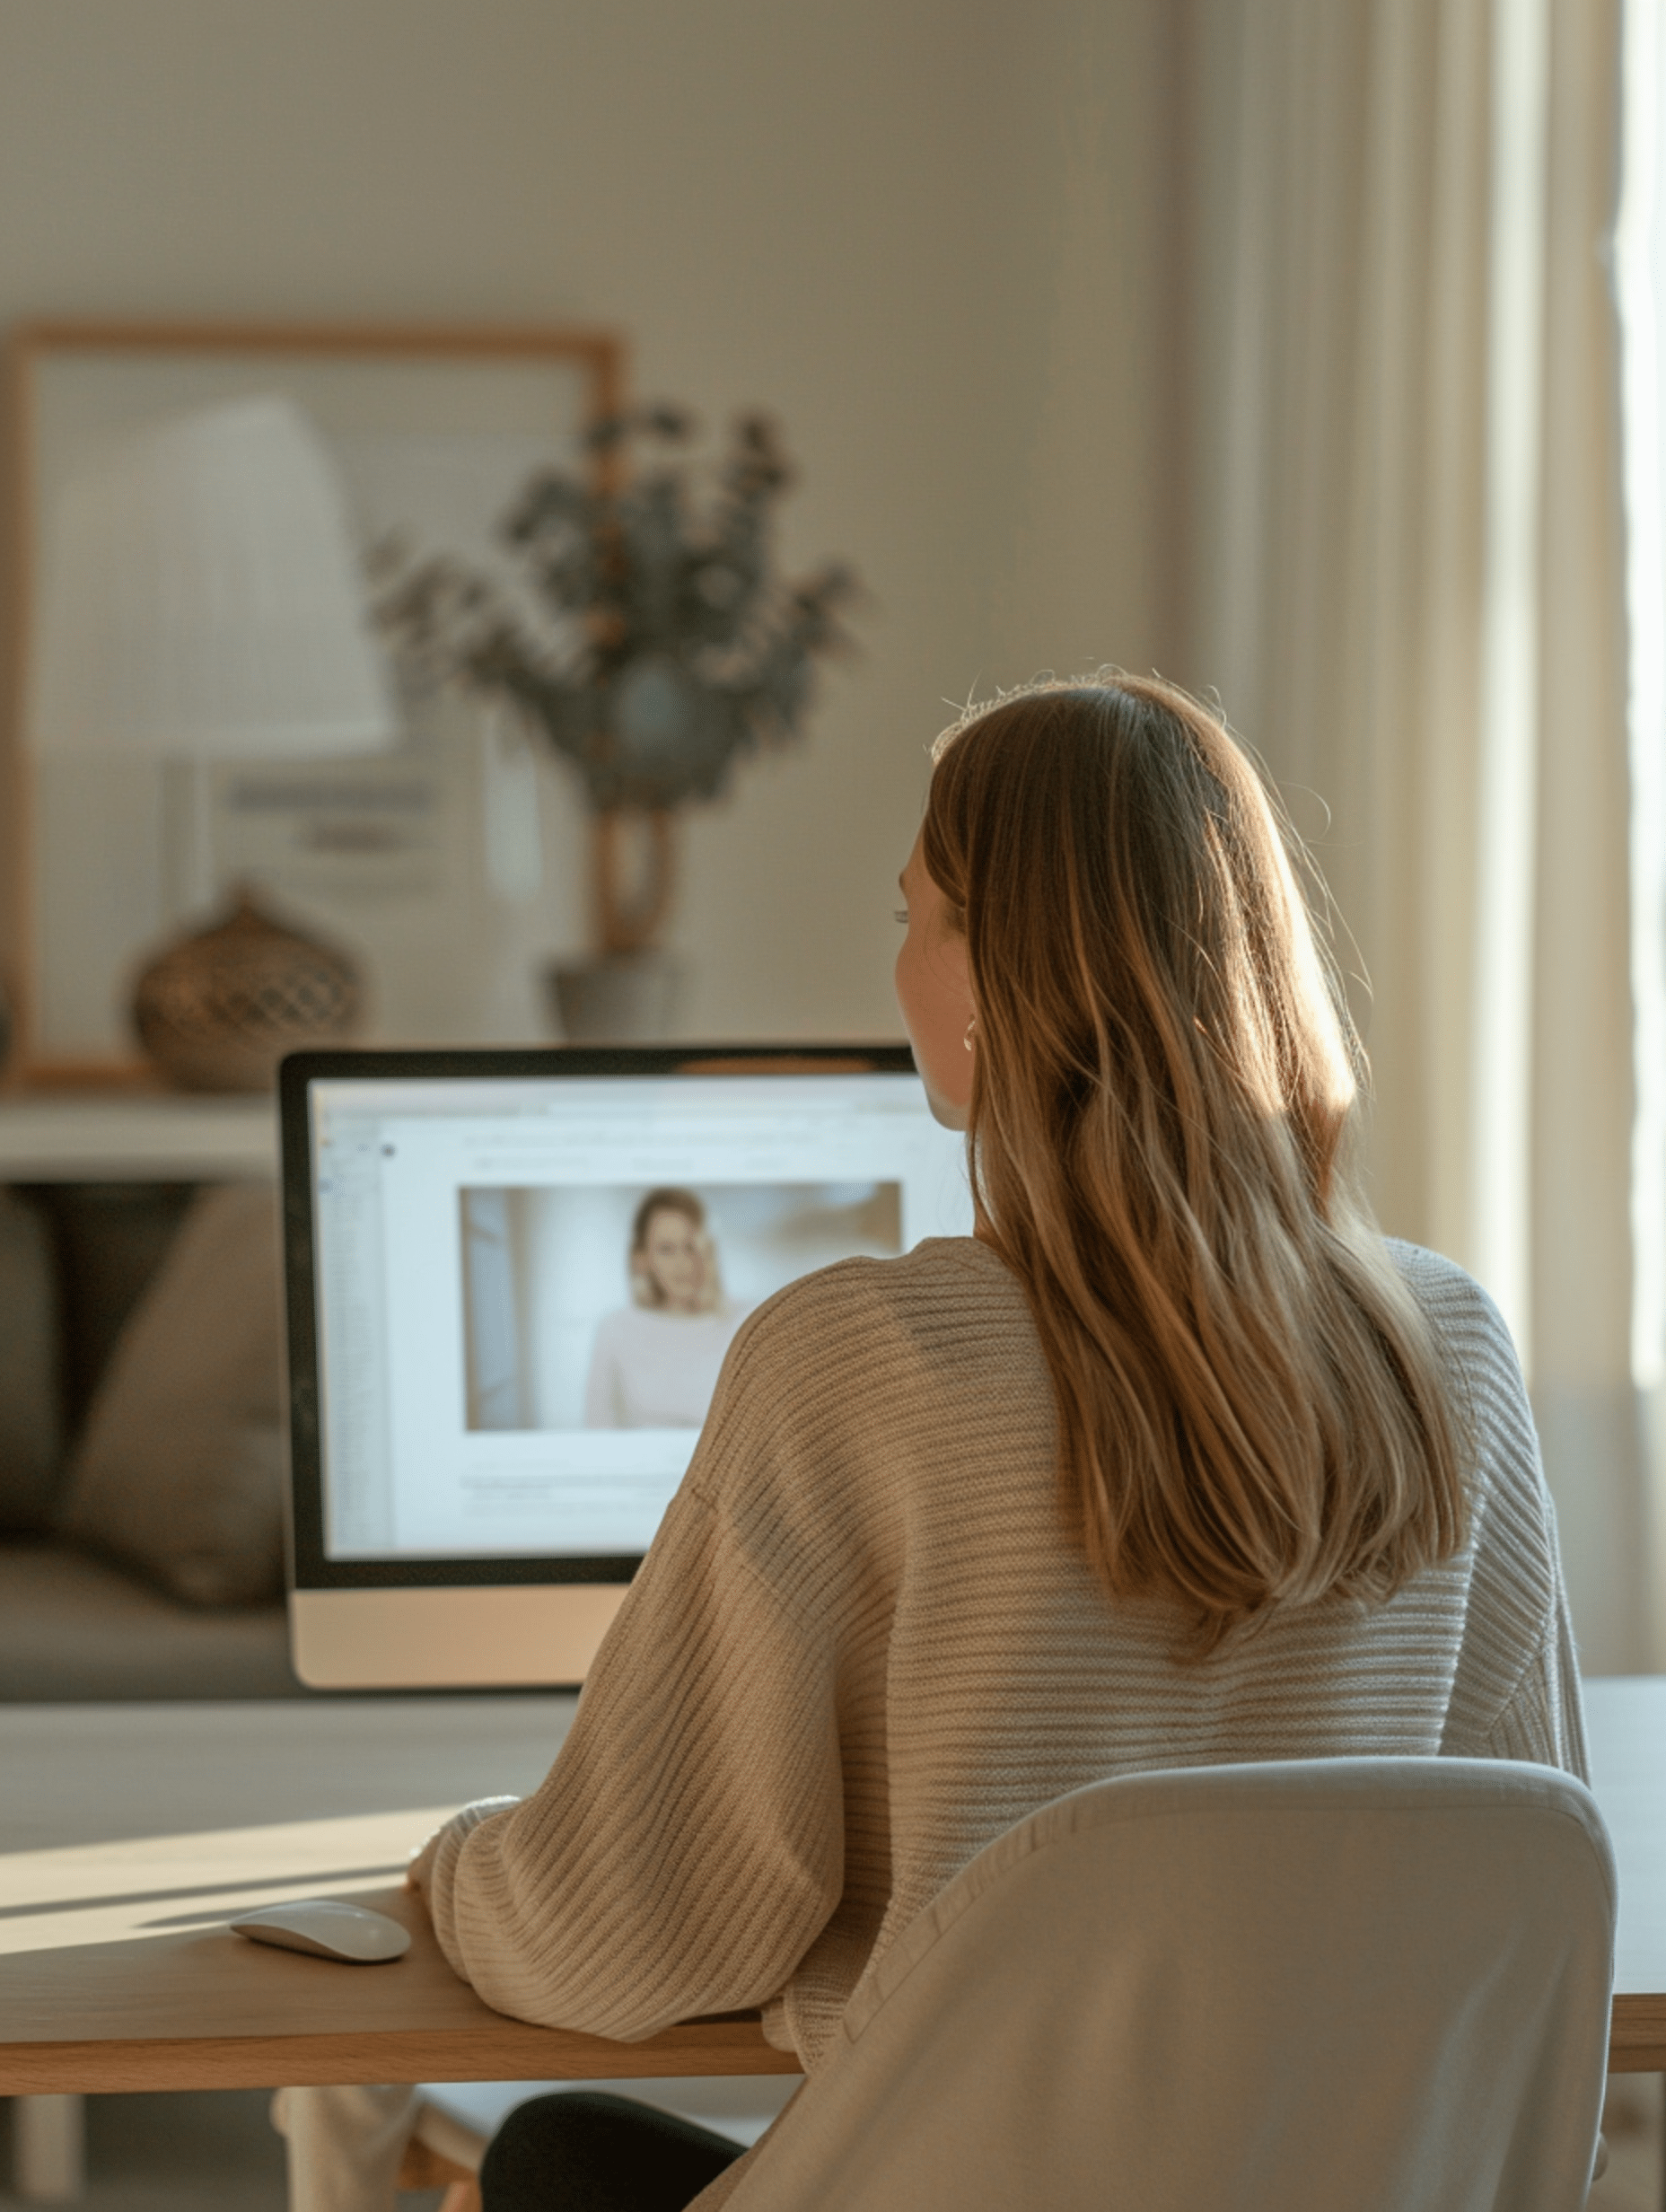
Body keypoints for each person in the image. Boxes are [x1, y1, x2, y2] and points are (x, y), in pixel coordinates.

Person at [279, 675, 1583, 2210]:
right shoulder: (1454, 1353)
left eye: (914, 914)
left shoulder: (858, 1357)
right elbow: (1508, 1878)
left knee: (554, 2145)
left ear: (995, 974)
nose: (897, 964)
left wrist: (455, 1863)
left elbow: (630, 1937)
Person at [583, 1189, 744, 1428]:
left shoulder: (741, 1321)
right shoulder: (615, 1329)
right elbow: (597, 1426)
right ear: (642, 1260)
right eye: (666, 1249)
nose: (684, 1263)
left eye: (691, 1246)